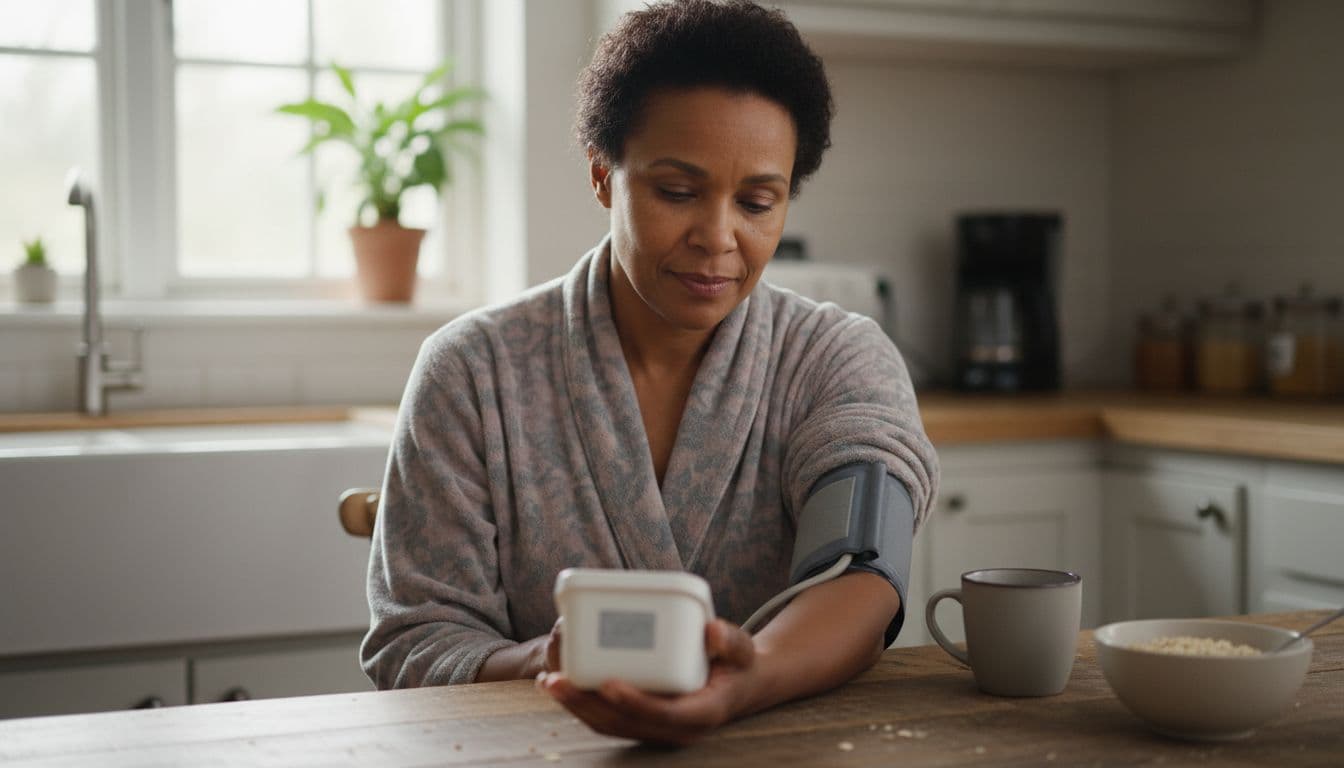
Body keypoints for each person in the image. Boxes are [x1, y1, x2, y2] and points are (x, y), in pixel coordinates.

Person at [361, 0, 939, 746]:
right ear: (604, 176)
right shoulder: (471, 372)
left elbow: (861, 574)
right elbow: (416, 639)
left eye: (758, 202)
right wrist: (549, 662)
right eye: (676, 192)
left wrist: (748, 676)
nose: (718, 237)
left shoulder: (836, 359)